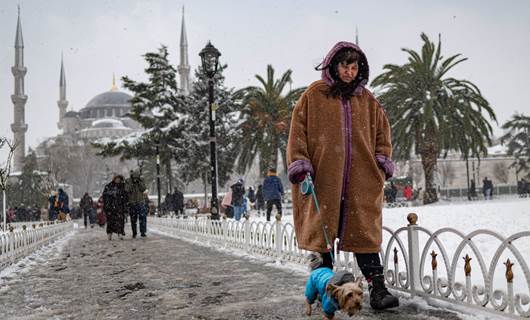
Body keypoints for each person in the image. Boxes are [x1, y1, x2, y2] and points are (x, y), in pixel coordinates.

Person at [287, 41, 399, 310]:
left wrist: (381, 164)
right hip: (324, 179)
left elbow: (383, 135)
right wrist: (301, 164)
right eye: (344, 66)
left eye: (354, 66)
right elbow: (297, 132)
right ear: (333, 66)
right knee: (323, 237)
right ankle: (329, 293)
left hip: (361, 181)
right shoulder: (314, 96)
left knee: (364, 235)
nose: (349, 72)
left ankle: (378, 289)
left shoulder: (368, 100)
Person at [102, 175, 128, 240]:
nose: (118, 180)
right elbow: (104, 196)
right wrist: (106, 205)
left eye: (119, 179)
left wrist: (125, 206)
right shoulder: (108, 186)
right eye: (117, 179)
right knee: (110, 221)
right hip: (110, 207)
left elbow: (126, 197)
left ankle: (120, 233)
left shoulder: (123, 186)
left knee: (120, 221)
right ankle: (109, 234)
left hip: (120, 207)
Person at [125, 170, 147, 238]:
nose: (135, 178)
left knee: (142, 218)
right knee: (133, 219)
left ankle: (143, 232)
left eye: (136, 176)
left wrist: (138, 182)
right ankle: (134, 232)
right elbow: (127, 189)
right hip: (132, 203)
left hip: (140, 202)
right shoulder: (128, 181)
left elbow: (143, 189)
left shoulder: (141, 180)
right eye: (134, 176)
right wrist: (132, 183)